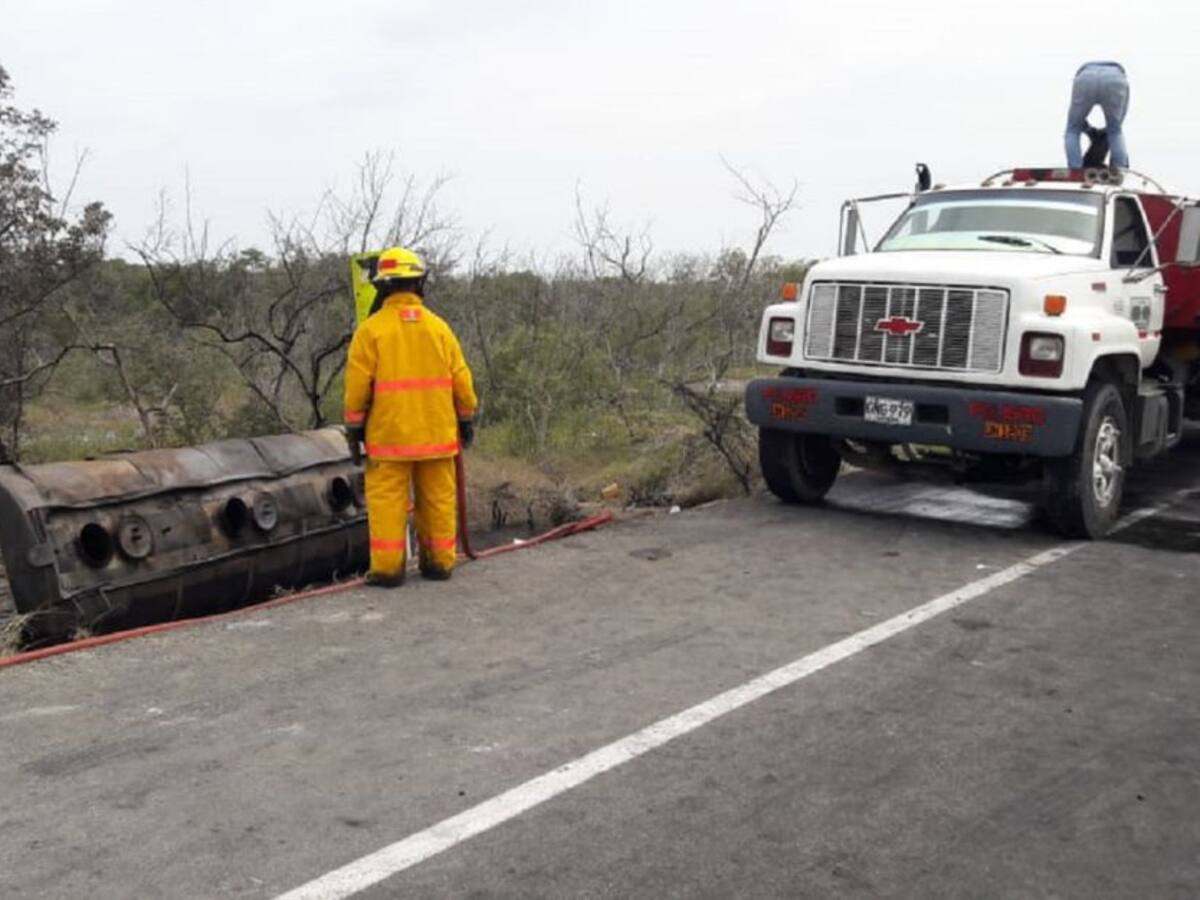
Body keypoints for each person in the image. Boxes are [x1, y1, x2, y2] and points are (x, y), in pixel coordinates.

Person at [343, 246, 478, 587]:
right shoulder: (439, 328)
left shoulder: (370, 331)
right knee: (438, 501)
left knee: (387, 504)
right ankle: (439, 564)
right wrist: (466, 419)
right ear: (419, 283)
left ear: (382, 287)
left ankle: (388, 571)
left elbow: (357, 387)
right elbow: (462, 380)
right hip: (437, 435)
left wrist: (354, 428)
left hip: (389, 440)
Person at [1064, 61, 1129, 170]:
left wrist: (1086, 128)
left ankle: (1075, 171)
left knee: (1073, 130)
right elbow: (1117, 125)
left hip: (1085, 77)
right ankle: (1120, 170)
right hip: (1116, 77)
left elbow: (1077, 123)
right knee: (1115, 131)